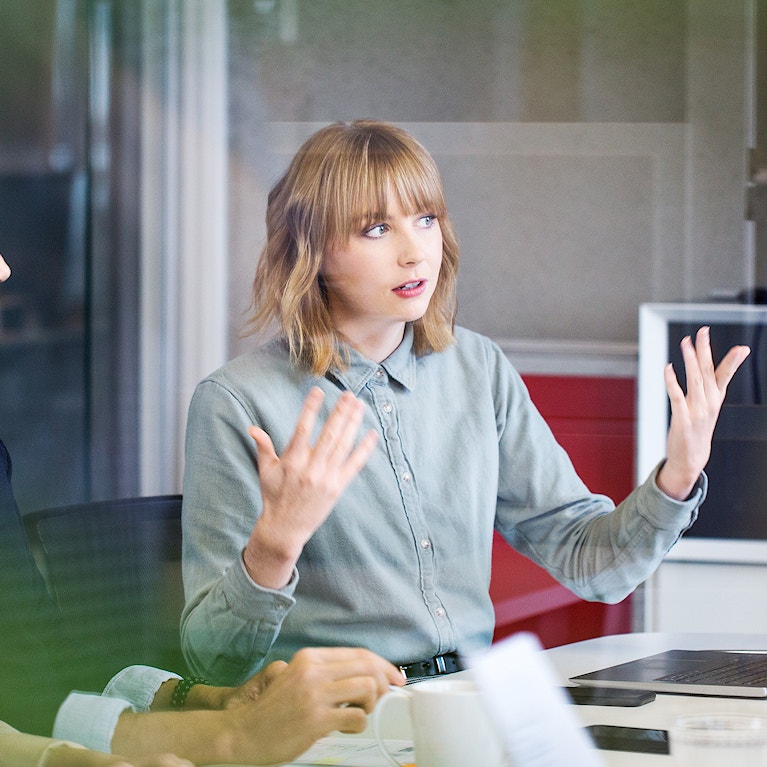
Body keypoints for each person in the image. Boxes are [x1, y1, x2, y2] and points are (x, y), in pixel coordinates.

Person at [179, 119, 751, 686]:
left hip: (473, 700)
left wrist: (678, 476)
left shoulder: (479, 369)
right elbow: (212, 664)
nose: (414, 253)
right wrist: (275, 546)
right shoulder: (236, 403)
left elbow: (591, 562)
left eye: (425, 220)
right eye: (376, 229)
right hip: (335, 723)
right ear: (314, 250)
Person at [0, 252, 403, 767]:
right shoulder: (234, 398)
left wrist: (205, 701)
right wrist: (227, 737)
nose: (6, 270)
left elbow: (32, 681)